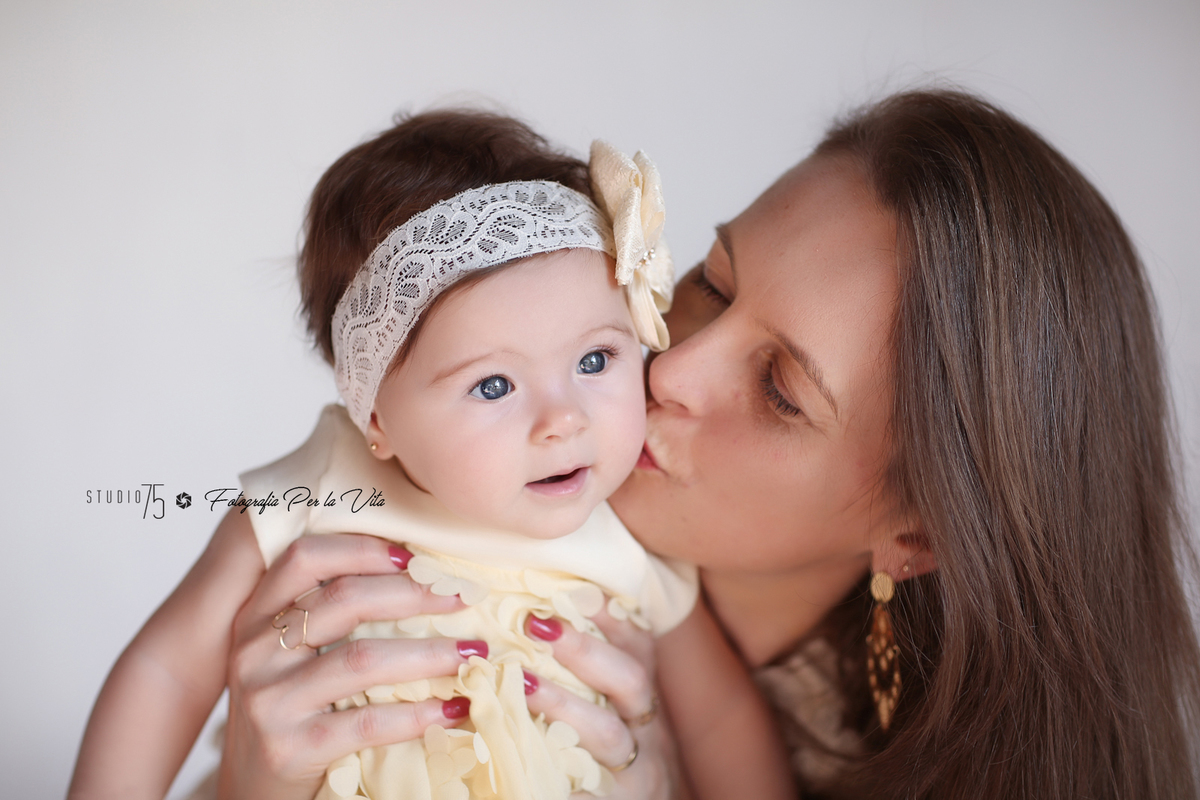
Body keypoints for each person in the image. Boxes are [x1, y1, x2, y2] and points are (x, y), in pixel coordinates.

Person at [67, 112, 793, 800]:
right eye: (494, 385)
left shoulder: (629, 531)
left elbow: (719, 719)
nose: (564, 418)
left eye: (596, 359)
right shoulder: (327, 484)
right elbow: (168, 671)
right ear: (378, 419)